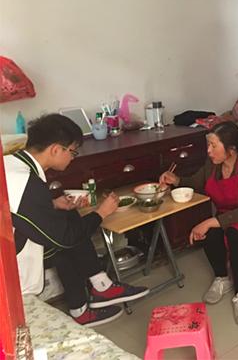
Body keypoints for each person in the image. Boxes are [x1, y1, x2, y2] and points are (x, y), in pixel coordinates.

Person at [5, 114, 149, 327]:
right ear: (56, 149)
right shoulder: (26, 182)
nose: (73, 158)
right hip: (9, 259)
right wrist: (101, 213)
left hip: (14, 234)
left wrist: (53, 204)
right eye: (72, 151)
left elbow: (18, 207)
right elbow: (65, 237)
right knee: (67, 238)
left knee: (68, 216)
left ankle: (90, 297)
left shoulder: (11, 163)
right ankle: (100, 287)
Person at [159, 121, 238, 325]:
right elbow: (195, 182)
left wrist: (209, 222)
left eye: (213, 145)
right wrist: (176, 180)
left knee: (234, 233)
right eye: (208, 145)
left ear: (231, 149)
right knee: (211, 232)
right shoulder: (213, 165)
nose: (208, 151)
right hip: (230, 215)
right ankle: (222, 278)